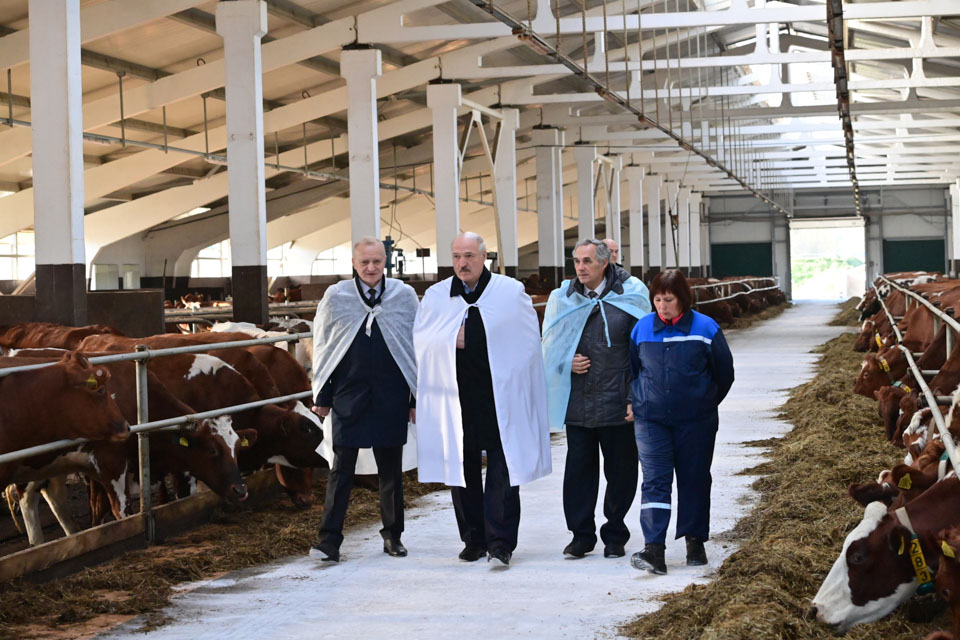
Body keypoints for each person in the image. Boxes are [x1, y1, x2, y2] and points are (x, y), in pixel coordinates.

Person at [413, 232, 551, 567]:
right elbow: (422, 339)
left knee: (504, 468)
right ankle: (473, 538)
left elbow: (526, 342)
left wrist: (469, 337)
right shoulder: (435, 296)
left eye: (470, 256)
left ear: (484, 257)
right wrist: (449, 338)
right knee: (462, 469)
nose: (462, 263)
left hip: (500, 396)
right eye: (457, 256)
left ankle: (501, 542)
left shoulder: (509, 292)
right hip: (456, 397)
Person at [308, 237, 419, 563]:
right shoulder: (337, 297)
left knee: (390, 471)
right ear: (354, 265)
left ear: (386, 262)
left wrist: (414, 397)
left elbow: (414, 349)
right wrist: (322, 395)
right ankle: (328, 541)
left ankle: (393, 536)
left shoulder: (404, 296)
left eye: (377, 262)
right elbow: (325, 345)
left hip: (391, 396)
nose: (371, 268)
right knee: (341, 469)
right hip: (348, 396)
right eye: (364, 263)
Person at [542, 239, 651, 559]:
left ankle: (615, 532)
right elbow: (548, 345)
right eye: (576, 261)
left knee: (621, 470)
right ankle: (581, 535)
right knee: (578, 471)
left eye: (587, 261)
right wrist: (566, 361)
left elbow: (643, 352)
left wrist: (635, 397)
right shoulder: (562, 297)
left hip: (618, 399)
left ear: (605, 262)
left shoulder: (631, 294)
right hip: (578, 401)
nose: (580, 267)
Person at [628, 269, 734, 575]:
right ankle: (654, 548)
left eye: (669, 299)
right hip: (651, 421)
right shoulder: (642, 329)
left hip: (696, 421)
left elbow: (724, 372)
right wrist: (638, 399)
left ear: (683, 299)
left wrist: (704, 403)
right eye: (657, 299)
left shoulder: (705, 328)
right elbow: (633, 370)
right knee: (655, 481)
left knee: (694, 478)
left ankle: (694, 540)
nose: (662, 306)